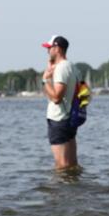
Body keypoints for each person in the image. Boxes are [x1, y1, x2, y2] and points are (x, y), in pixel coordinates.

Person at [41, 35, 80, 170]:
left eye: (49, 48)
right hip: (70, 118)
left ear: (57, 49)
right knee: (72, 164)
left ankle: (62, 191)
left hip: (59, 119)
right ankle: (74, 189)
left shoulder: (62, 68)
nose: (47, 51)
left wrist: (45, 80)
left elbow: (57, 98)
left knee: (61, 165)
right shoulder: (72, 67)